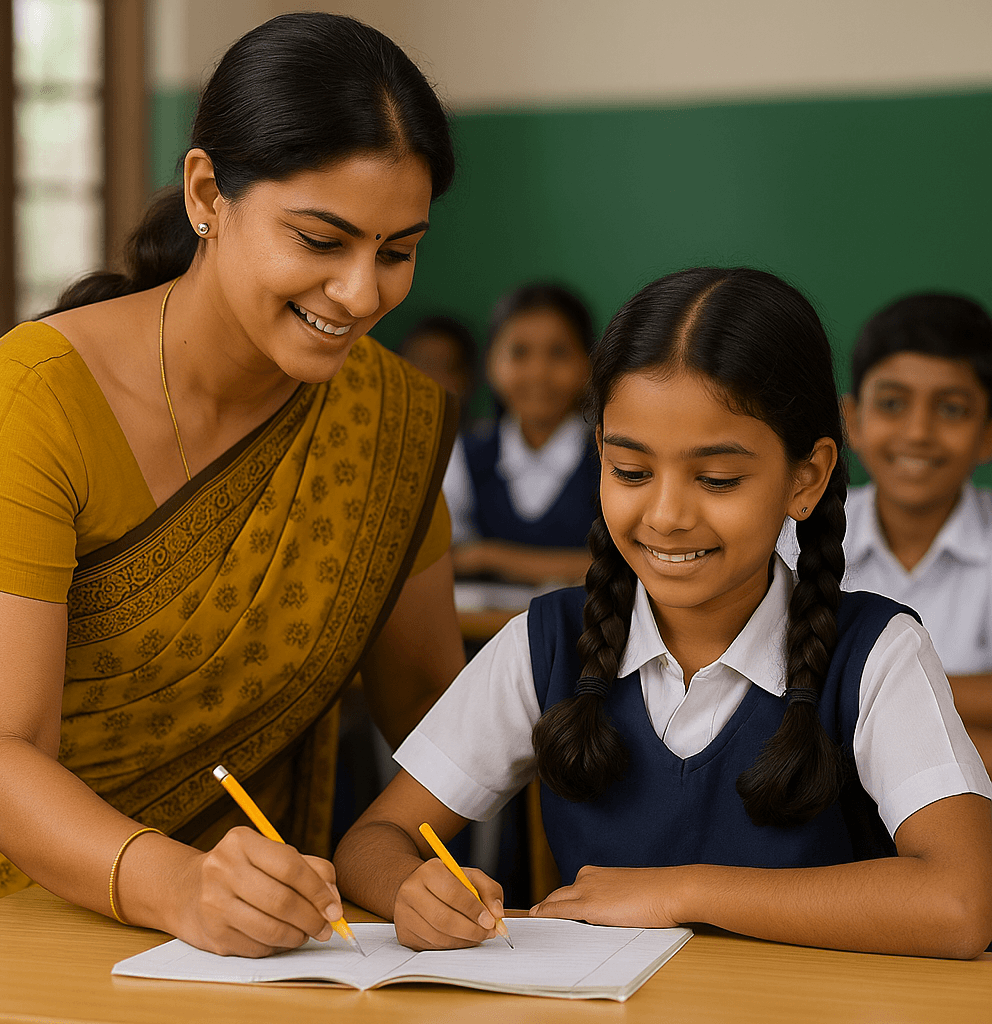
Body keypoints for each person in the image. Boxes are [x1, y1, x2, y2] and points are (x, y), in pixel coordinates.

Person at [0, 12, 466, 959]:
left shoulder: (392, 421)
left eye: (397, 252)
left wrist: (410, 867)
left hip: (264, 941)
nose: (362, 295)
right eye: (322, 240)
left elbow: (436, 720)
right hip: (6, 918)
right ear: (208, 192)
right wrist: (181, 886)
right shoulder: (29, 403)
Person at [333, 267, 992, 959]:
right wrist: (412, 888)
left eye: (717, 479)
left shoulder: (877, 652)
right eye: (631, 471)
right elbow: (374, 840)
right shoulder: (546, 640)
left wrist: (682, 893)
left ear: (807, 477)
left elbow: (962, 903)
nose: (668, 516)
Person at [840, 294, 992, 772]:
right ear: (852, 421)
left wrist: (850, 692)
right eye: (891, 403)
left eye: (951, 409)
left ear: (988, 435)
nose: (918, 432)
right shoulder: (794, 536)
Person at [450, 283, 597, 586]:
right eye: (519, 353)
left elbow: (619, 566)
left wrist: (488, 556)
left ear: (588, 365)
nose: (538, 372)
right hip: (486, 632)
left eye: (558, 353)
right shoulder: (465, 454)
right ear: (490, 364)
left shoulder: (611, 457)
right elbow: (447, 557)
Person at [399, 315, 479, 544]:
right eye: (418, 363)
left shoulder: (480, 449)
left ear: (465, 380)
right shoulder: (373, 441)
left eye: (441, 367)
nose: (426, 377)